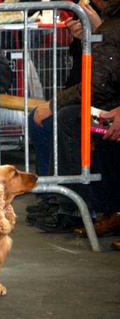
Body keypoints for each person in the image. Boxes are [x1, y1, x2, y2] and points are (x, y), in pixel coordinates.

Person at [26, 0, 120, 241]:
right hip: (105, 106)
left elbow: (99, 85)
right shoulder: (106, 23)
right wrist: (87, 38)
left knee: (67, 120)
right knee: (57, 120)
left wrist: (54, 104)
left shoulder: (110, 26)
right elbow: (88, 71)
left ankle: (74, 207)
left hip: (104, 106)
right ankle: (59, 199)